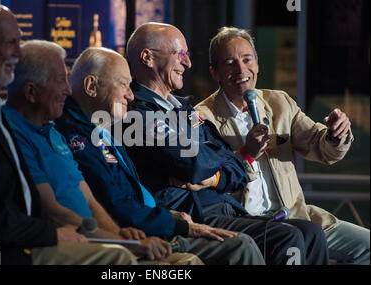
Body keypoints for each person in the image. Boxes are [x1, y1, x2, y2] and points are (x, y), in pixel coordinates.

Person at [0, 2, 137, 265]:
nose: (17, 54)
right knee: (118, 259)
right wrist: (53, 234)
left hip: (22, 238)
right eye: (10, 43)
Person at [123, 22, 330, 265]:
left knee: (311, 233)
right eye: (180, 55)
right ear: (148, 58)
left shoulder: (184, 108)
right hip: (196, 214)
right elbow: (195, 164)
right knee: (287, 237)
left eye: (187, 56)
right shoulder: (137, 114)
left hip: (224, 209)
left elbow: (234, 169)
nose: (188, 63)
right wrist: (219, 157)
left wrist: (219, 162)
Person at [55, 46, 266, 265]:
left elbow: (223, 159)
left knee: (289, 232)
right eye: (124, 85)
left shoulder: (179, 109)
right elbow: (193, 165)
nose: (130, 94)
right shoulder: (121, 121)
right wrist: (173, 222)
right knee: (242, 245)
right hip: (144, 229)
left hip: (166, 217)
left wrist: (170, 212)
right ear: (91, 86)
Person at [3, 39, 203, 265]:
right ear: (31, 91)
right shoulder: (15, 132)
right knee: (132, 258)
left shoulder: (52, 131)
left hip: (103, 235)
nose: (67, 90)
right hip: (63, 240)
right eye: (60, 81)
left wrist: (121, 236)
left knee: (185, 261)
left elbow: (90, 201)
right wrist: (125, 241)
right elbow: (53, 211)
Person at [194, 26, 370, 265]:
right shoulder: (203, 118)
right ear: (215, 72)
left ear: (257, 62)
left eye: (247, 60)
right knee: (294, 243)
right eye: (230, 63)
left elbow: (320, 147)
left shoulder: (279, 102)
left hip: (298, 215)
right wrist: (246, 153)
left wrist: (335, 134)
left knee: (366, 246)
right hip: (249, 225)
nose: (241, 70)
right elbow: (205, 177)